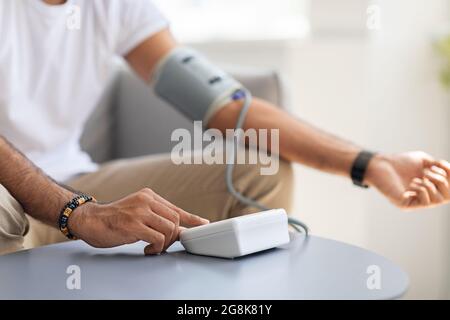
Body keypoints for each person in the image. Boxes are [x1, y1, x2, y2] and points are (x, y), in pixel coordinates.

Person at [0, 0, 449, 256]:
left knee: (260, 171)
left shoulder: (115, 6)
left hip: (72, 178)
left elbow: (223, 105)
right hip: (10, 197)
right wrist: (78, 212)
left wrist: (371, 164)